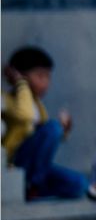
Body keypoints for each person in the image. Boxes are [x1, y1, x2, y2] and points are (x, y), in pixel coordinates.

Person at [2, 46, 86, 199]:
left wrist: (65, 130)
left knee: (80, 184)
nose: (46, 83)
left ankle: (32, 189)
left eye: (48, 77)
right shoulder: (6, 100)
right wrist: (20, 84)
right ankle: (33, 186)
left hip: (35, 170)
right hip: (16, 165)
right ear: (19, 76)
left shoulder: (38, 106)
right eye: (40, 76)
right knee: (52, 127)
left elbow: (43, 144)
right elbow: (25, 115)